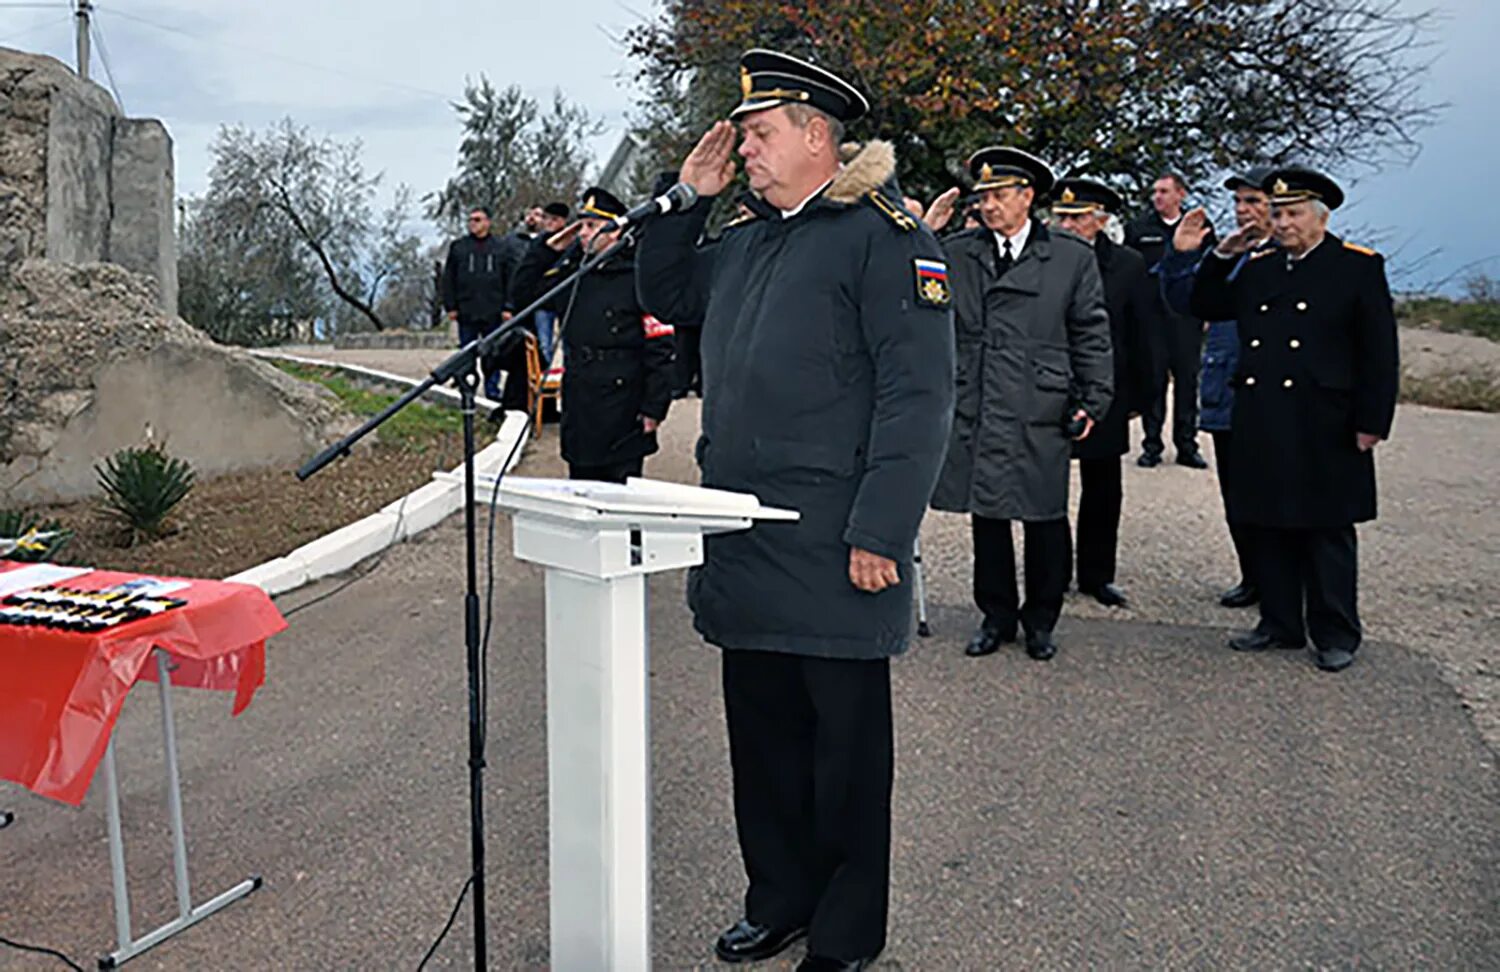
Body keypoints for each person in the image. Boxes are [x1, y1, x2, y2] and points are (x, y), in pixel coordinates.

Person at [635, 48, 955, 972]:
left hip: (834, 544)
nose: (743, 152)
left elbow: (919, 398)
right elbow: (664, 292)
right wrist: (685, 197)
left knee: (845, 761)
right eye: (740, 138)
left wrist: (881, 531)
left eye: (759, 135)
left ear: (819, 135)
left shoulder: (886, 239)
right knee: (765, 748)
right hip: (744, 534)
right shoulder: (744, 236)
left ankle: (847, 933)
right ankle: (778, 901)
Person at [1188, 165, 1398, 672]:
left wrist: (1372, 420)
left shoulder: (1355, 268)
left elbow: (1379, 353)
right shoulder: (1260, 267)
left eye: (1293, 213)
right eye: (1277, 213)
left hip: (1325, 416)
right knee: (1268, 521)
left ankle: (1335, 632)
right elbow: (1205, 303)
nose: (1283, 223)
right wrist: (1220, 257)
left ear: (1320, 217)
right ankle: (1280, 623)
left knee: (1325, 528)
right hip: (1262, 413)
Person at [925, 147, 1112, 661]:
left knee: (1044, 514)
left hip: (1039, 401)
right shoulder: (958, 251)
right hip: (979, 396)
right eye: (983, 195)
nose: (989, 205)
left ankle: (1042, 619)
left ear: (1027, 197)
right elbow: (915, 296)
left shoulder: (1071, 257)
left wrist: (1093, 398)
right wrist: (925, 232)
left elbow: (1090, 331)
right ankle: (996, 616)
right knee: (987, 515)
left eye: (1000, 195)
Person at [1160, 166, 1275, 608]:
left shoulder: (1290, 256)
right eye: (1239, 203)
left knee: (1277, 497)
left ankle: (1285, 585)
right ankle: (1253, 577)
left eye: (1254, 202)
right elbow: (1185, 301)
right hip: (1228, 393)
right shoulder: (1231, 254)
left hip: (1273, 398)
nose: (1244, 211)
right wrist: (1183, 256)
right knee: (1238, 497)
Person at [510, 187, 675, 482]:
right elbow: (522, 294)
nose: (582, 233)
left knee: (622, 504)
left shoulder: (638, 276)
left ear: (616, 230)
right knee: (582, 495)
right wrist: (549, 248)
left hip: (623, 403)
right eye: (581, 225)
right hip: (581, 399)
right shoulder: (573, 275)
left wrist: (654, 407)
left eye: (592, 226)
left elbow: (660, 348)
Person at [1050, 178, 1160, 608]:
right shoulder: (1044, 258)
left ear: (1101, 220)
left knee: (1103, 487)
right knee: (1048, 485)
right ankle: (1052, 571)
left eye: (1077, 217)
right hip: (1051, 386)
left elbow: (1142, 334)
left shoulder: (1128, 265)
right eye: (1061, 216)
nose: (1067, 224)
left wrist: (1142, 397)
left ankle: (1097, 574)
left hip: (1104, 388)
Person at [1126, 172, 1209, 468]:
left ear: (1180, 194)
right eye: (1155, 192)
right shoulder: (1138, 228)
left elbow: (1208, 270)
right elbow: (1131, 272)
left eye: (1164, 191)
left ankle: (1187, 444)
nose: (1157, 197)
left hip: (1186, 316)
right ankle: (1151, 445)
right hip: (1151, 317)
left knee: (1187, 381)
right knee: (1153, 380)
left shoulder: (1199, 226)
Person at [441, 206, 514, 404]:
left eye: (478, 220)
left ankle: (492, 389)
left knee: (493, 354)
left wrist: (509, 306)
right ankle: (467, 386)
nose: (473, 224)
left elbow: (509, 278)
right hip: (467, 309)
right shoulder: (459, 247)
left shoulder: (501, 247)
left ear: (488, 222)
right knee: (467, 352)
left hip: (494, 309)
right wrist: (451, 306)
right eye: (471, 220)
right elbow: (449, 278)